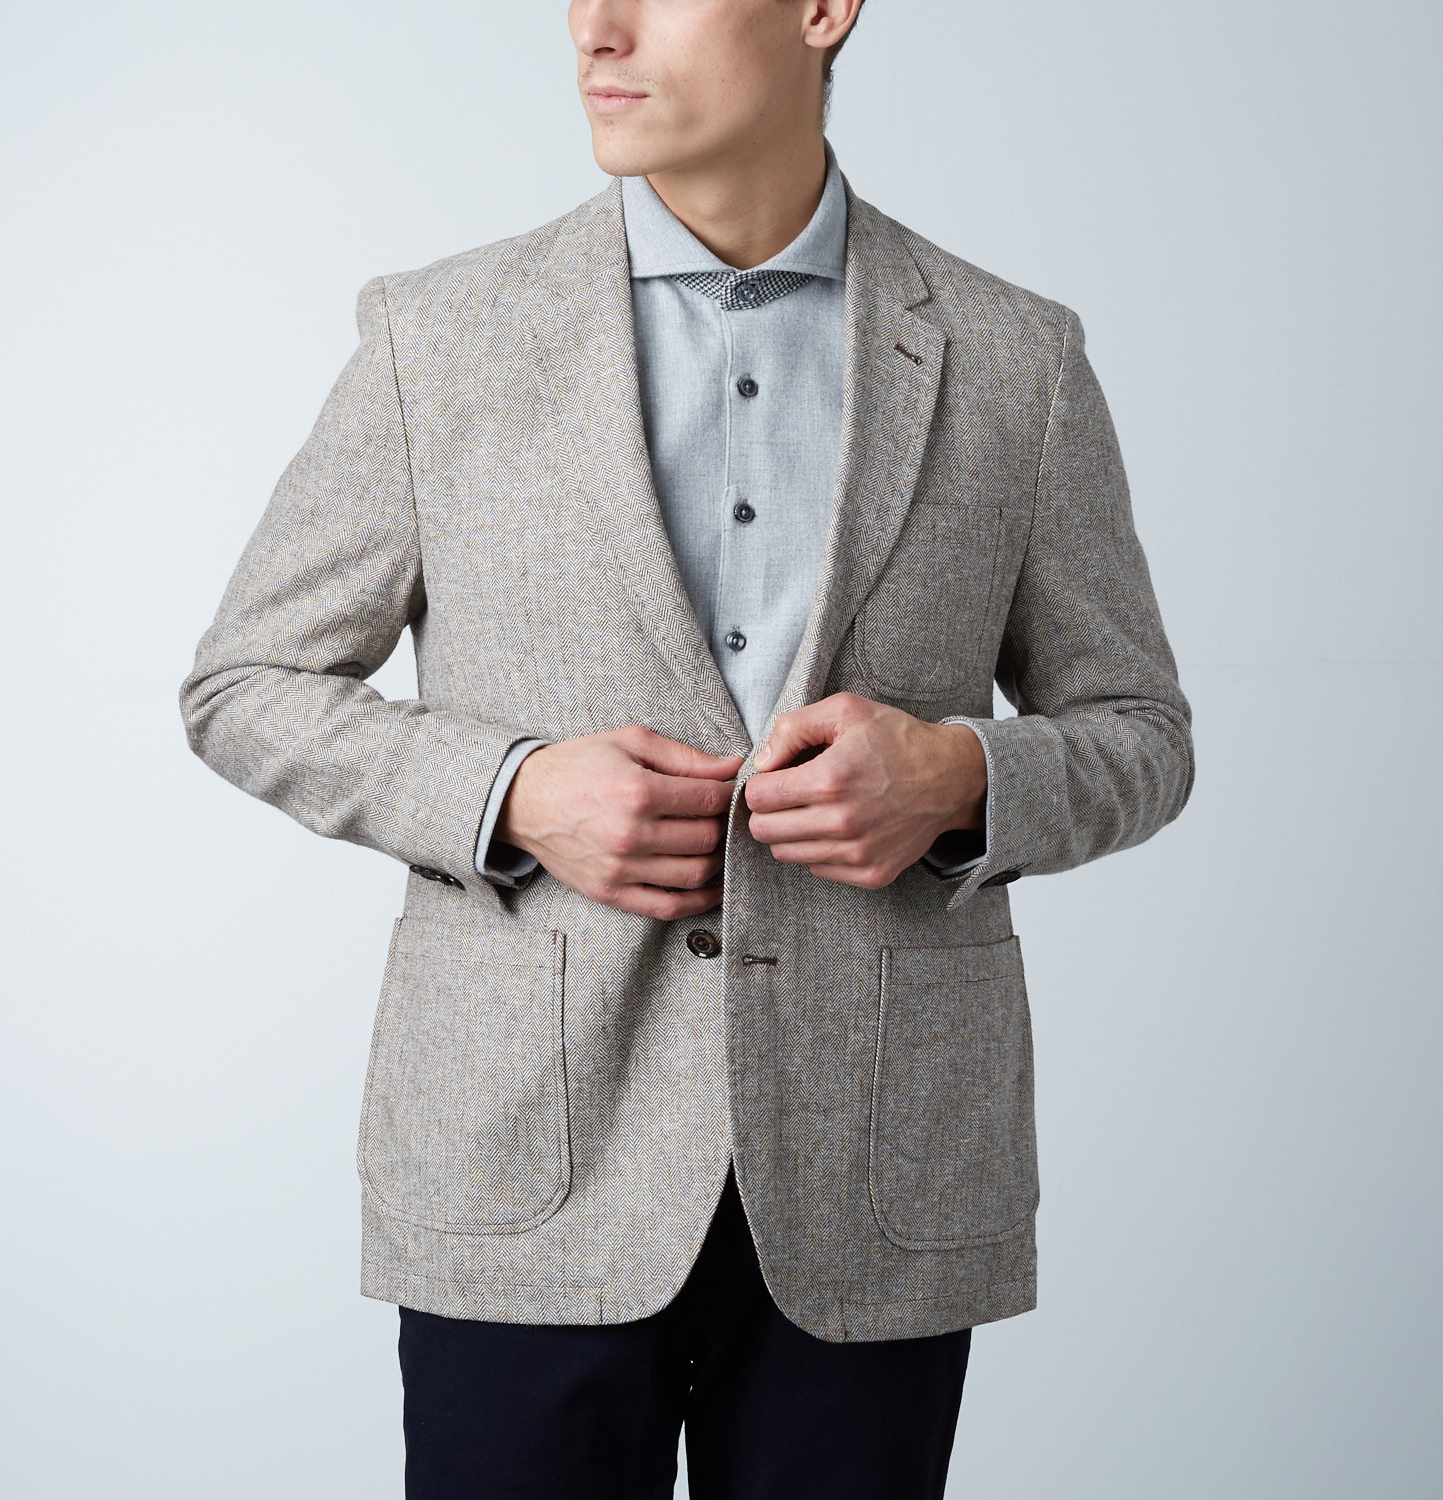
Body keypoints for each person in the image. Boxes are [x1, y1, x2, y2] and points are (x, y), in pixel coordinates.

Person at [180, 1, 1193, 1494]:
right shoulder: (437, 336)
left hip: (874, 1166)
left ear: (822, 8)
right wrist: (512, 791)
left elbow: (1141, 732)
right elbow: (246, 683)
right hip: (526, 1162)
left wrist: (959, 778)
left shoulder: (1014, 358)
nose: (595, 27)